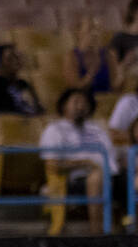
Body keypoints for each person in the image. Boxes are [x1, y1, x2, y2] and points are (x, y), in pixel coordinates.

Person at [38, 88, 115, 233]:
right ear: (64, 106)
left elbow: (111, 155)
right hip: (73, 179)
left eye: (84, 102)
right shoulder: (55, 129)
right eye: (76, 101)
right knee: (96, 178)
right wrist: (84, 162)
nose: (81, 106)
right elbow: (52, 164)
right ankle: (97, 232)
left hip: (111, 174)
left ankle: (137, 232)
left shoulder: (97, 129)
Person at [64, 14, 122, 95]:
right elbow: (75, 89)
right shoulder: (71, 56)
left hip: (107, 100)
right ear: (79, 32)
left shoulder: (109, 55)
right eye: (90, 29)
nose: (95, 33)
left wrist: (121, 70)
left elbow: (116, 87)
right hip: (85, 101)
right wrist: (90, 75)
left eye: (97, 29)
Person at [0, 45, 44, 115]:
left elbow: (38, 109)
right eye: (10, 58)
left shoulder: (23, 84)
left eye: (17, 57)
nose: (16, 60)